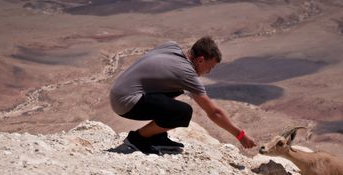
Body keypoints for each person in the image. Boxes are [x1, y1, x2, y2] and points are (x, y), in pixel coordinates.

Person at [110, 36, 257, 154]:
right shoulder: (187, 73)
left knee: (174, 88)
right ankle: (138, 138)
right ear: (200, 60)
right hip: (125, 103)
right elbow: (214, 112)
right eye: (210, 67)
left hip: (119, 92)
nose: (209, 72)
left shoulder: (171, 46)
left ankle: (157, 136)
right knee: (183, 112)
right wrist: (240, 135)